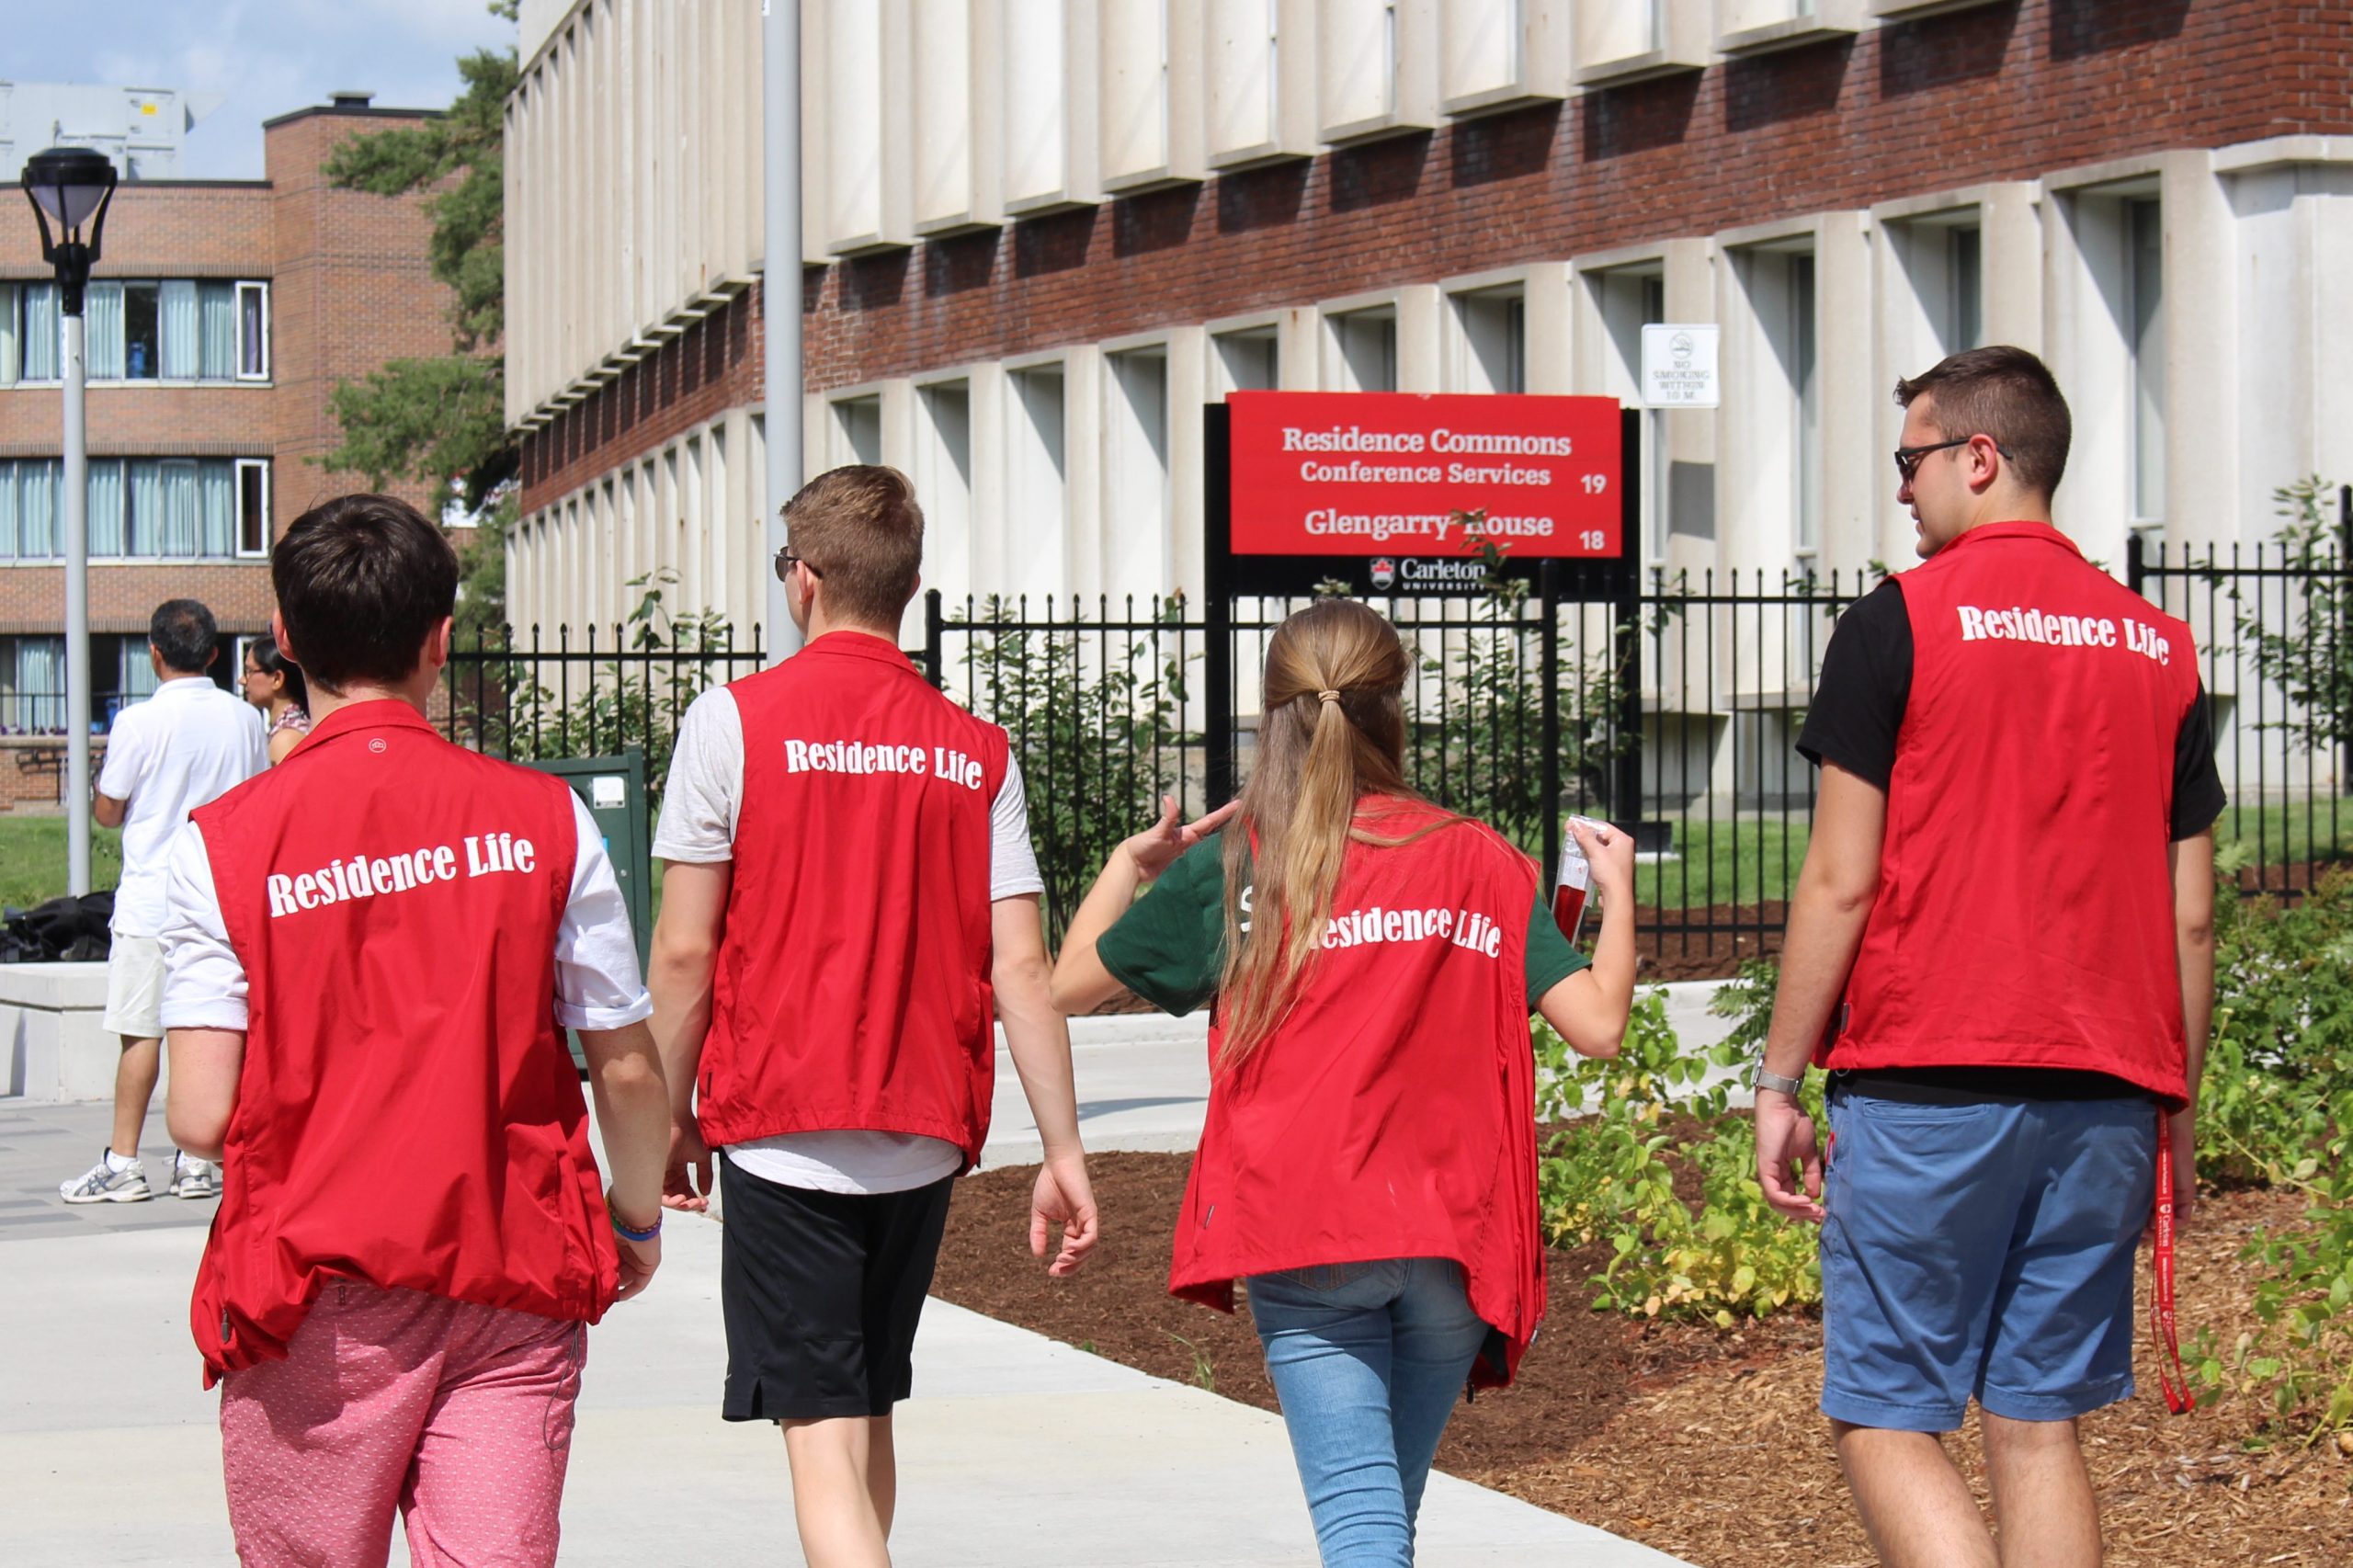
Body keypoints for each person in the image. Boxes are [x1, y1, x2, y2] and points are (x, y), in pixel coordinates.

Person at [1753, 346, 2223, 1568]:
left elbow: (1841, 875)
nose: (1901, 490)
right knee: (2038, 1422)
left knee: (1885, 1412)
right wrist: (2177, 1094)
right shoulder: (2160, 649)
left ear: (1981, 455)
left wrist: (1778, 1077)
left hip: (1927, 1077)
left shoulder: (1898, 622)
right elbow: (2191, 920)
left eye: (1911, 460)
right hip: (2109, 1088)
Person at [1051, 598, 1638, 1568]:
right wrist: (1614, 895)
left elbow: (1065, 983)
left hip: (1309, 1231)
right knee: (1379, 1524)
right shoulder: (1477, 859)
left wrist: (1128, 863)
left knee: (1364, 1532)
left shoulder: (1244, 866)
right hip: (1451, 1239)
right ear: (1394, 711)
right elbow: (1599, 1024)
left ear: (1271, 717)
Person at [158, 494, 673, 1567]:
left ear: (286, 640)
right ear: (442, 636)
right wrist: (633, 1221)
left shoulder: (224, 846)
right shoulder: (548, 817)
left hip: (316, 1284)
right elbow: (623, 1061)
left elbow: (202, 1113)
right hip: (510, 1270)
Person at [648, 464, 1098, 1568]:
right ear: (906, 582)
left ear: (803, 580)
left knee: (819, 1435)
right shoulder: (975, 748)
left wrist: (664, 1112)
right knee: (867, 1406)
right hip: (918, 1131)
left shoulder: (732, 722)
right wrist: (1062, 1146)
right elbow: (1022, 967)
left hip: (782, 1120)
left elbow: (683, 948)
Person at [60, 599, 264, 1204]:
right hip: (223, 896)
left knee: (140, 1032)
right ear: (213, 653)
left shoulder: (139, 723)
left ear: (154, 654)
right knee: (216, 1025)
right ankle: (200, 1161)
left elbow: (107, 809)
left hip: (154, 896)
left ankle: (124, 1161)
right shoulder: (243, 719)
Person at [239, 633, 311, 766]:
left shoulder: (286, 739)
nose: (242, 681)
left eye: (249, 671)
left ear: (277, 679)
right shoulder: (291, 727)